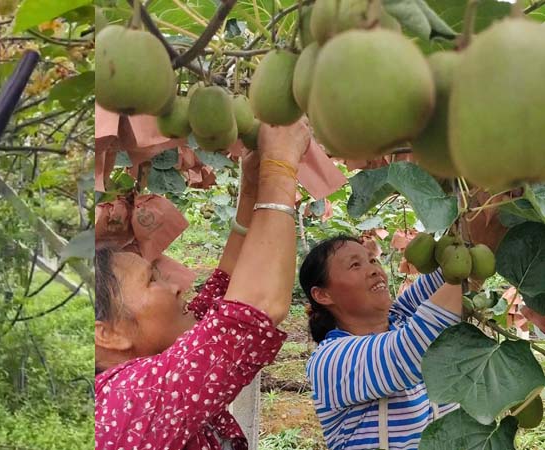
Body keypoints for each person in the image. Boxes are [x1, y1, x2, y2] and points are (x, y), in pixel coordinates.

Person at [95, 121, 311, 449]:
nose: (176, 287)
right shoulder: (122, 400)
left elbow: (222, 295)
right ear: (107, 333)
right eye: (152, 281)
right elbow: (252, 312)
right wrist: (279, 168)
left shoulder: (145, 380)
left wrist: (252, 189)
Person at [301, 235, 463, 450]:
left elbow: (446, 273)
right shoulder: (328, 360)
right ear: (322, 295)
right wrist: (462, 268)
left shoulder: (401, 316)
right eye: (355, 265)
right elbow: (410, 353)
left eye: (372, 260)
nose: (374, 270)